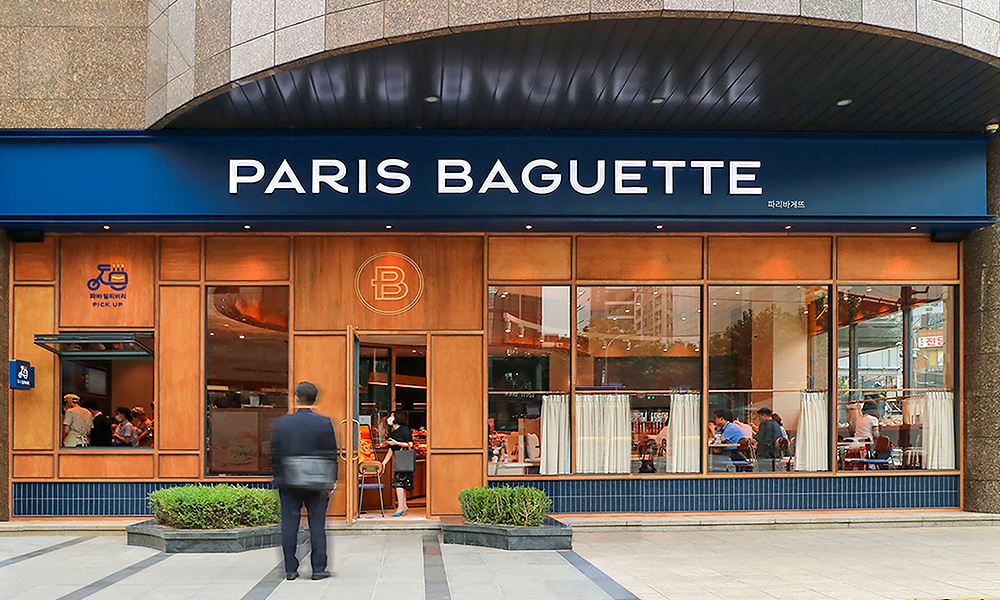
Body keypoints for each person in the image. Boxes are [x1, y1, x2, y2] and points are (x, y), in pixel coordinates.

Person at [271, 382, 338, 581]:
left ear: (296, 397)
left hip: (289, 481)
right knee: (317, 525)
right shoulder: (324, 422)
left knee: (289, 524)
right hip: (317, 482)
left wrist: (278, 476)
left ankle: (290, 569)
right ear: (315, 398)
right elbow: (331, 453)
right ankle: (318, 569)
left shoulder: (283, 423)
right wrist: (332, 479)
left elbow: (275, 453)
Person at [384, 411, 414, 517]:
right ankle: (403, 506)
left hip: (404, 460)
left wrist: (396, 443)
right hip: (398, 460)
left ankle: (400, 507)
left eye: (392, 416)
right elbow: (391, 450)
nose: (389, 418)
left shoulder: (404, 430)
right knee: (400, 482)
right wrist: (383, 463)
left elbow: (410, 444)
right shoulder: (392, 433)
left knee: (399, 483)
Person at [754, 407, 784, 472]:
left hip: (765, 456)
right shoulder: (777, 425)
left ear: (764, 415)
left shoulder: (764, 424)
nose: (759, 419)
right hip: (775, 456)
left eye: (759, 417)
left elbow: (758, 438)